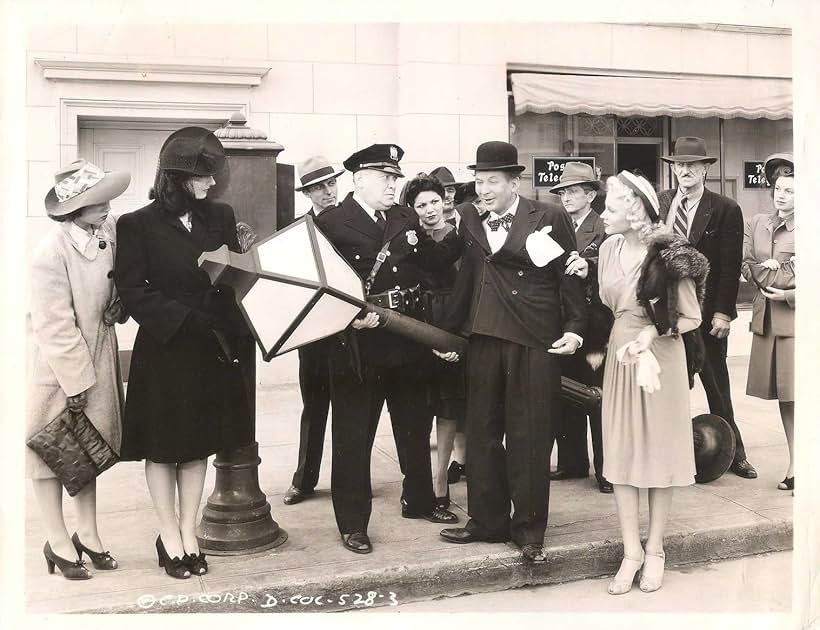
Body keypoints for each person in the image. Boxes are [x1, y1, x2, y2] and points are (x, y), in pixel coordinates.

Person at [114, 127, 254, 579]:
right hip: (165, 352)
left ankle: (188, 534)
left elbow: (235, 275)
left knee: (196, 449)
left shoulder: (221, 215)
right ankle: (168, 534)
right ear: (175, 178)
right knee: (162, 450)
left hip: (209, 352)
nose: (211, 184)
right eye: (202, 177)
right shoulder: (136, 225)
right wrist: (184, 318)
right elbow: (134, 291)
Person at [437, 141, 586, 564]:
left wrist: (576, 329)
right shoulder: (468, 219)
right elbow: (464, 280)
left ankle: (529, 530)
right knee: (482, 432)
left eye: (492, 182)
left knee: (529, 435)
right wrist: (448, 336)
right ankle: (487, 521)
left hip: (534, 338)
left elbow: (568, 277)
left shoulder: (549, 217)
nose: (483, 189)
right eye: (479, 181)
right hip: (484, 336)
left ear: (513, 182)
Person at [314, 143, 462, 554]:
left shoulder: (402, 216)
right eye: (387, 178)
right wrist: (347, 317)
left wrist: (458, 230)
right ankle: (353, 522)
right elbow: (319, 283)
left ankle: (418, 499)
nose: (394, 185)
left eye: (396, 178)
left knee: (414, 423)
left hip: (406, 336)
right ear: (360, 180)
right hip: (357, 342)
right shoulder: (332, 221)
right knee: (353, 433)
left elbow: (433, 263)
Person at [598, 171, 706, 594]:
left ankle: (656, 548)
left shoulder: (668, 254)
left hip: (660, 355)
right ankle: (631, 553)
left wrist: (652, 333)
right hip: (622, 353)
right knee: (622, 452)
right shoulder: (607, 248)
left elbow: (690, 315)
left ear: (635, 210)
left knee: (660, 453)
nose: (603, 214)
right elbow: (607, 305)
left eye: (610, 207)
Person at [27, 160, 131, 579]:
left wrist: (119, 303)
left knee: (88, 451)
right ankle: (55, 539)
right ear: (74, 209)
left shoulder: (109, 230)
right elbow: (53, 323)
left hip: (99, 354)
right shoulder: (50, 251)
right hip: (61, 366)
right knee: (51, 453)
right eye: (95, 202)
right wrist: (76, 382)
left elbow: (120, 278)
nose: (105, 206)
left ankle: (87, 533)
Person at [658, 137, 756, 479]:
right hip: (667, 315)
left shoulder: (725, 208)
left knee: (716, 384)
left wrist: (723, 313)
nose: (684, 170)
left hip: (705, 314)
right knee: (668, 387)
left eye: (691, 165)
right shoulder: (662, 203)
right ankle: (671, 456)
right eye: (678, 165)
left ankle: (735, 454)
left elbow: (730, 267)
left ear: (705, 169)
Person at [282, 155, 345, 506]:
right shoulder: (298, 229)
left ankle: (349, 480)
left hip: (349, 331)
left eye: (331, 184)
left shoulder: (354, 221)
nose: (326, 192)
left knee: (351, 409)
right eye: (318, 188)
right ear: (307, 193)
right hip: (313, 332)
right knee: (315, 405)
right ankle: (304, 480)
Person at [548, 162, 613, 493]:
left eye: (573, 191)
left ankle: (605, 469)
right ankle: (572, 463)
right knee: (566, 392)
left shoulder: (604, 226)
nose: (567, 197)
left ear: (590, 195)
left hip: (595, 325)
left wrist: (590, 266)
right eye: (563, 192)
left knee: (597, 396)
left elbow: (615, 265)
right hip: (563, 321)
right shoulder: (554, 225)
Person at [403, 173, 467, 509]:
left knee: (448, 408)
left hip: (452, 327)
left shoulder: (461, 236)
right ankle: (418, 481)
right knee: (418, 409)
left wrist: (457, 339)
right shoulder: (410, 240)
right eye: (421, 205)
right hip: (420, 327)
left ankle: (441, 477)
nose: (429, 209)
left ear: (444, 201)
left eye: (433, 202)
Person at [741, 153, 795, 491]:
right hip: (768, 323)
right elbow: (747, 265)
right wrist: (770, 272)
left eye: (790, 189)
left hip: (798, 323)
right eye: (778, 187)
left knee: (803, 396)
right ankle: (796, 464)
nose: (781, 194)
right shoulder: (757, 222)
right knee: (787, 398)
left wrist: (792, 293)